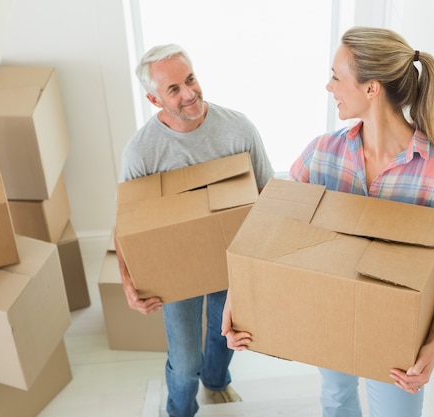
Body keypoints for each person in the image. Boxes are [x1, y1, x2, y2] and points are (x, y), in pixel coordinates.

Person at [222, 26, 434, 417]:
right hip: (331, 316)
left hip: (397, 338)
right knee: (337, 397)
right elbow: (267, 234)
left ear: (372, 89)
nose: (329, 86)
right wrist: (236, 301)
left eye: (337, 77)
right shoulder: (322, 155)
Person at [115, 43, 274, 417]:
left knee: (224, 339)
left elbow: (266, 195)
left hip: (230, 262)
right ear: (155, 99)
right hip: (176, 270)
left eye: (190, 79)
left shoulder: (238, 128)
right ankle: (179, 409)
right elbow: (125, 224)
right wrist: (127, 284)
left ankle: (216, 384)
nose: (189, 94)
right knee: (185, 361)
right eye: (174, 89)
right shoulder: (142, 152)